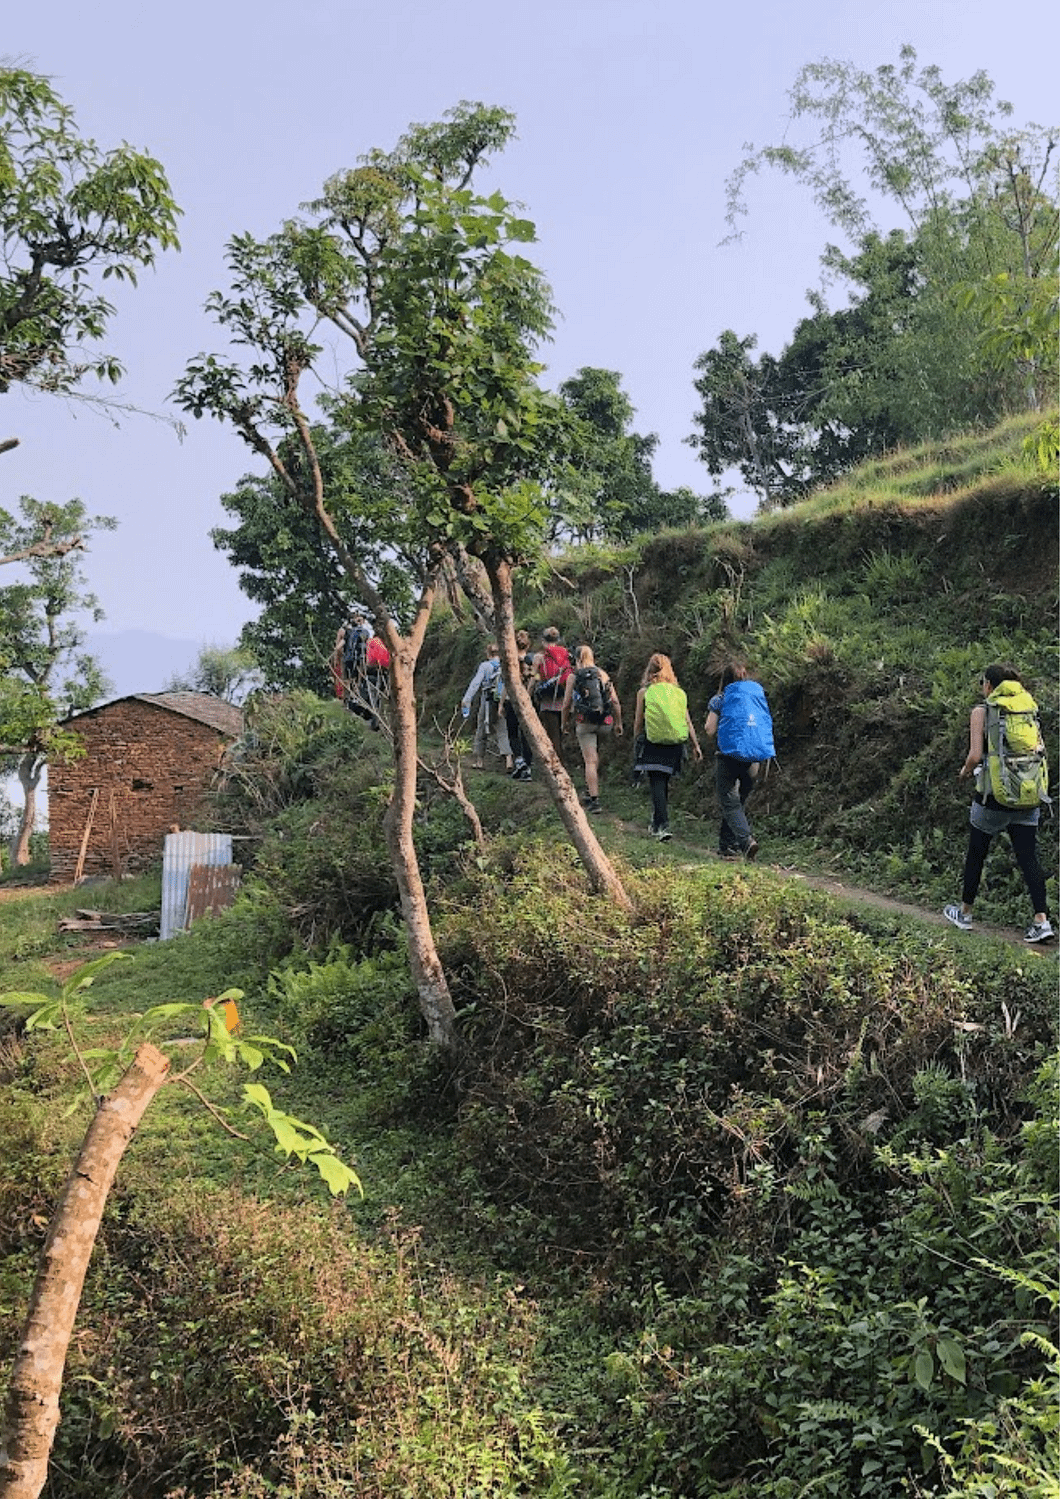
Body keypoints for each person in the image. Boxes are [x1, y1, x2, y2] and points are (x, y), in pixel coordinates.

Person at [944, 663, 1053, 943]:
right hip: (1028, 795)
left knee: (977, 853)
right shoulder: (1029, 708)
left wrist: (965, 772)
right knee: (1029, 857)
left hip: (993, 797)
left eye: (983, 683)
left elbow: (974, 755)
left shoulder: (982, 711)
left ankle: (965, 913)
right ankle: (1041, 921)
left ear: (989, 685)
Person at [704, 658, 775, 860]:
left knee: (729, 802)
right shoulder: (757, 696)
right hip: (754, 757)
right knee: (737, 803)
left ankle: (745, 842)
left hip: (728, 756)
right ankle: (727, 846)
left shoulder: (721, 698)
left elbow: (709, 729)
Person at [633, 653, 701, 841]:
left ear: (649, 670)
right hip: (674, 743)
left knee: (656, 783)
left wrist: (636, 742)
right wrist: (695, 744)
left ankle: (662, 825)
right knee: (663, 783)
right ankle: (657, 822)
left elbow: (638, 722)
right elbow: (687, 721)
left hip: (653, 742)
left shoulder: (645, 692)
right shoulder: (678, 692)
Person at [561, 645, 623, 814]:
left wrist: (564, 723)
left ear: (576, 658)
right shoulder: (602, 674)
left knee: (589, 761)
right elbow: (615, 701)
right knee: (596, 758)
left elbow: (566, 704)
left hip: (585, 722)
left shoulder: (573, 676)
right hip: (605, 722)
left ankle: (594, 799)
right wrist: (618, 723)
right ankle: (591, 789)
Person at [460, 642, 511, 770]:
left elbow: (475, 683)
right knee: (503, 729)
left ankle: (479, 761)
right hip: (503, 699)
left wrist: (467, 699)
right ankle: (509, 761)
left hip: (487, 699)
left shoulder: (485, 666)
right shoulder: (505, 665)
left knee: (482, 728)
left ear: (488, 653)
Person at [531, 625, 572, 764]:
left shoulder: (540, 656)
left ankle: (557, 764)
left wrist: (529, 693)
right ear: (558, 639)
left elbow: (534, 676)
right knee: (561, 733)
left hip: (547, 700)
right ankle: (562, 761)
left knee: (552, 734)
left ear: (543, 640)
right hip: (564, 698)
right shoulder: (566, 654)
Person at [503, 628, 535, 781]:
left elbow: (506, 684)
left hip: (512, 700)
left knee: (513, 733)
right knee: (526, 735)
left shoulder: (511, 662)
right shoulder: (533, 660)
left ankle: (519, 761)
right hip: (528, 701)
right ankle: (527, 767)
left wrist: (501, 703)